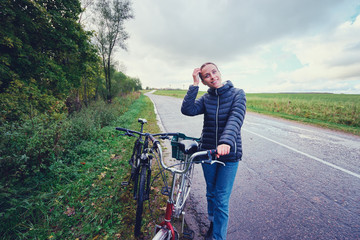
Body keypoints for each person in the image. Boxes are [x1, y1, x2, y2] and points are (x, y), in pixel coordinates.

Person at [181, 62, 246, 240]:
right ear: (204, 81)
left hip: (229, 155)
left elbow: (235, 119)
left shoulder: (237, 94)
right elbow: (187, 110)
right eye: (207, 76)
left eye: (214, 72)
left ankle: (218, 237)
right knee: (211, 192)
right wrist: (194, 84)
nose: (212, 77)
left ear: (219, 72)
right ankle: (212, 223)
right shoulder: (206, 98)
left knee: (221, 199)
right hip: (208, 153)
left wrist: (225, 142)